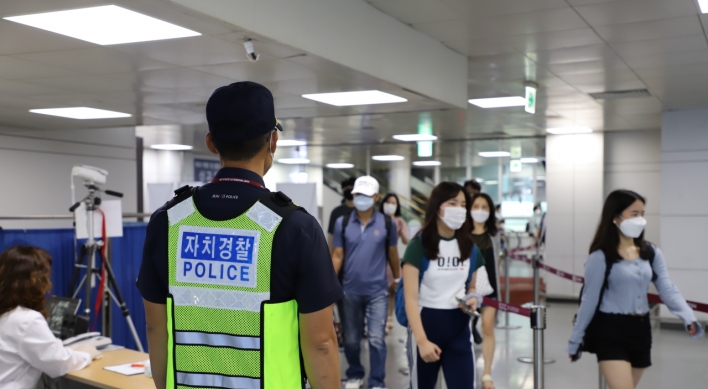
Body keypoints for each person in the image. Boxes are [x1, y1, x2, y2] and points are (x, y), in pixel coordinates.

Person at [137, 82, 342, 389]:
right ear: (273, 140)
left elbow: (156, 329)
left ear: (210, 142)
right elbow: (321, 343)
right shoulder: (295, 227)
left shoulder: (167, 222)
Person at [567, 190, 703, 389]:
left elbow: (667, 288)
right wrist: (575, 339)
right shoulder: (601, 256)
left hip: (641, 330)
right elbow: (589, 300)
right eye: (634, 214)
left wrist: (688, 316)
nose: (640, 219)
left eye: (642, 213)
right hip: (610, 330)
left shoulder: (651, 252)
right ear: (615, 217)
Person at [402, 182, 483, 389]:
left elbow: (473, 287)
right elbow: (410, 299)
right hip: (426, 327)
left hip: (459, 329)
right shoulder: (418, 246)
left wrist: (473, 297)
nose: (460, 209)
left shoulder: (470, 247)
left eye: (463, 204)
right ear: (438, 206)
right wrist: (421, 341)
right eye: (453, 203)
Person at [332, 176, 400, 389]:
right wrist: (329, 283)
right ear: (353, 196)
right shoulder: (342, 222)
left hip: (377, 291)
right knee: (351, 339)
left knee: (376, 339)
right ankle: (354, 374)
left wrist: (397, 279)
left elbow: (392, 253)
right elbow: (337, 256)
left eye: (367, 195)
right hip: (349, 290)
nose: (362, 198)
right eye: (358, 194)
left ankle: (377, 381)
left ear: (376, 197)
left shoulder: (387, 223)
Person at [0, 245, 101, 389]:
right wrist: (86, 354)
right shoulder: (26, 319)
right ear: (36, 281)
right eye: (46, 277)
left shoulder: (8, 313)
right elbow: (60, 363)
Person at [470, 193, 502, 389]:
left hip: (490, 289)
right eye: (476, 206)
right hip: (466, 291)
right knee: (463, 331)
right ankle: (464, 369)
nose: (480, 210)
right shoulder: (462, 233)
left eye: (484, 207)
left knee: (487, 328)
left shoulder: (494, 235)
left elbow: (495, 264)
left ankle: (487, 372)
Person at [380, 193, 409, 334]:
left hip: (392, 258)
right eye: (388, 202)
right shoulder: (378, 219)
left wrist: (402, 227)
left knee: (391, 290)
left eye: (393, 203)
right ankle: (381, 318)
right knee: (380, 290)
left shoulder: (399, 222)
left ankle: (389, 317)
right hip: (379, 258)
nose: (390, 205)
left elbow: (405, 240)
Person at [328, 177, 357, 253]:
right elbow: (332, 236)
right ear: (343, 190)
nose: (349, 190)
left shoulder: (362, 211)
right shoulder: (336, 212)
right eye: (347, 188)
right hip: (340, 253)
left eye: (352, 188)